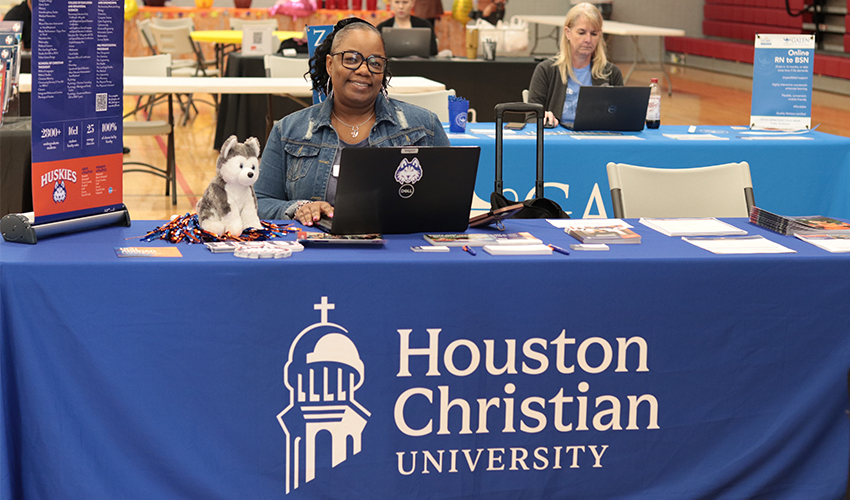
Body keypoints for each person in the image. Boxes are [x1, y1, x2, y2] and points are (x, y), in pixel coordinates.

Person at [255, 18, 450, 224]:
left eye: (375, 62)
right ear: (330, 64)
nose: (364, 70)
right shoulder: (288, 131)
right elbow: (259, 202)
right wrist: (298, 208)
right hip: (314, 253)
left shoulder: (423, 127)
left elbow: (450, 199)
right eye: (351, 59)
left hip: (400, 252)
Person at [527, 2, 623, 127]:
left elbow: (621, 117)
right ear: (568, 33)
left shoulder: (611, 72)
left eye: (594, 34)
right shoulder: (546, 70)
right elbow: (530, 117)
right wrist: (542, 118)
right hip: (557, 139)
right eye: (581, 33)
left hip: (596, 138)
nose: (588, 40)